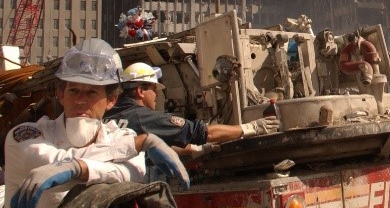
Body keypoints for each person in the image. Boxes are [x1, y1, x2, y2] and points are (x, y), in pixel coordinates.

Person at [2, 39, 189, 208]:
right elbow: (49, 161)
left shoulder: (121, 136)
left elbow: (130, 175)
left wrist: (77, 168)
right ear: (60, 94)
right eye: (73, 90)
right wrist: (138, 144)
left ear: (111, 100)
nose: (80, 100)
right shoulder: (26, 135)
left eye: (91, 92)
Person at [104, 62, 280, 157]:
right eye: (154, 89)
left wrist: (196, 150)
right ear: (140, 91)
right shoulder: (144, 118)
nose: (157, 95)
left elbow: (153, 150)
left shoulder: (107, 114)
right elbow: (202, 133)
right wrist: (253, 128)